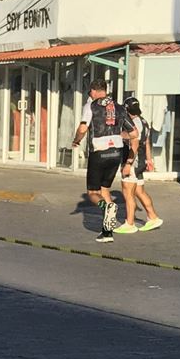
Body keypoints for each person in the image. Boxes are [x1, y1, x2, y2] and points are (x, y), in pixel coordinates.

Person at [72, 78, 131, 242]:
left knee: (93, 193)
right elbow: (133, 133)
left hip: (99, 151)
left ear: (93, 91)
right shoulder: (119, 107)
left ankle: (107, 207)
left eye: (90, 92)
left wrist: (76, 140)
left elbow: (83, 128)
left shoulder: (91, 105)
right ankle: (107, 232)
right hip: (116, 153)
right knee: (105, 189)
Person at [115, 98, 166, 234]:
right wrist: (149, 160)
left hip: (133, 160)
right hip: (141, 160)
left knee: (128, 192)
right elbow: (147, 142)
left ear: (126, 109)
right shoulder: (144, 121)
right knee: (139, 191)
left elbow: (134, 143)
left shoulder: (132, 124)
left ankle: (129, 223)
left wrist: (128, 164)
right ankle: (153, 217)